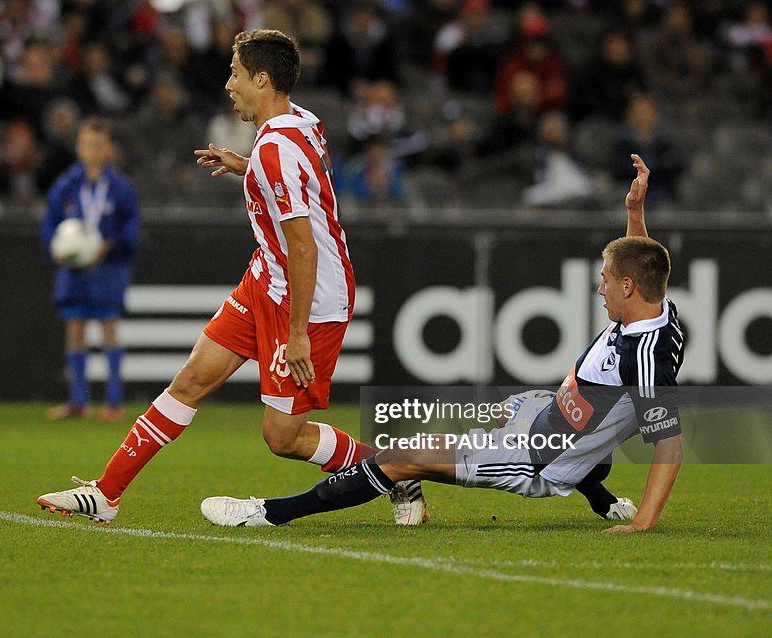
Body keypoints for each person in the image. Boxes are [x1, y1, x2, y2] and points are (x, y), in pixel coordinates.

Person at [37, 29, 427, 526]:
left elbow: (304, 247)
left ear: (262, 80)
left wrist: (299, 332)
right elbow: (299, 179)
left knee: (282, 438)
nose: (228, 85)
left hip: (310, 297)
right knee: (191, 380)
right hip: (266, 278)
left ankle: (395, 470)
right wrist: (244, 165)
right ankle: (106, 493)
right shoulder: (297, 123)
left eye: (235, 74)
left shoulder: (276, 151)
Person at [202, 154, 687, 534]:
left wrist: (644, 521)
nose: (600, 287)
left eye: (605, 280)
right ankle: (600, 496)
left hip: (538, 452)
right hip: (545, 410)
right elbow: (639, 264)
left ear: (626, 288)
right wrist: (635, 213)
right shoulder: (657, 308)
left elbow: (668, 442)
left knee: (401, 455)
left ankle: (268, 513)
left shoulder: (645, 357)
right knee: (497, 411)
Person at [39, 117, 140, 423]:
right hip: (73, 270)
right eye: (86, 144)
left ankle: (113, 402)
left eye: (98, 145)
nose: (92, 151)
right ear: (78, 147)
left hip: (109, 268)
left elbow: (131, 227)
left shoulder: (121, 188)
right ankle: (78, 401)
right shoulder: (66, 185)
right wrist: (56, 250)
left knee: (109, 327)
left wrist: (110, 245)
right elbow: (49, 225)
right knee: (75, 329)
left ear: (108, 148)